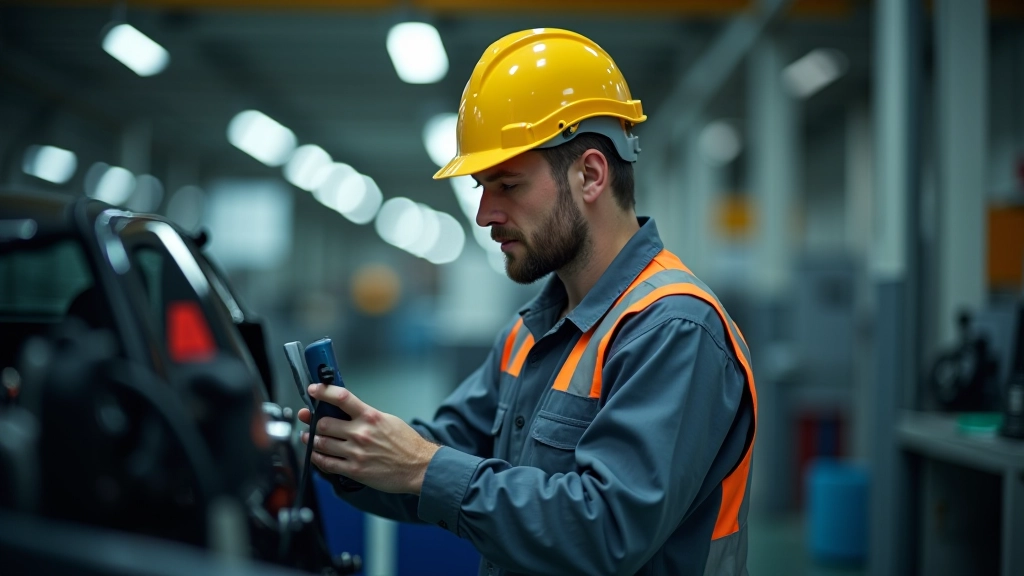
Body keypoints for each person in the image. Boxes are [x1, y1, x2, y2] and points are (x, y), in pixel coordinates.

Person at [298, 28, 757, 576]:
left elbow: (606, 530)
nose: (484, 214)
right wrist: (342, 454)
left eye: (508, 185)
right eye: (482, 189)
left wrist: (424, 467)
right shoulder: (532, 331)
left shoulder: (674, 329)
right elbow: (442, 451)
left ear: (590, 174)